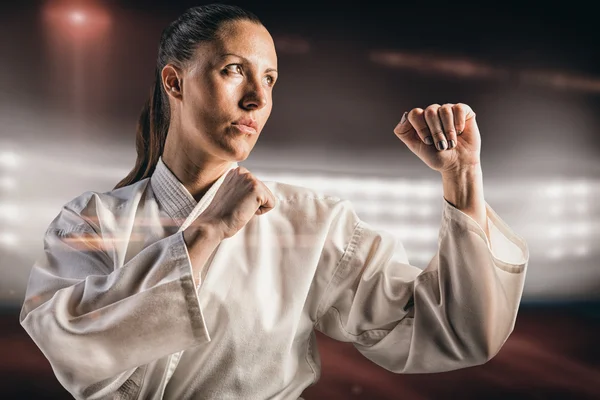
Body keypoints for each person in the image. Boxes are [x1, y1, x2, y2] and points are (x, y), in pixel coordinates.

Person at [19, 3, 529, 400]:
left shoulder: (311, 223)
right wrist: (207, 231)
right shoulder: (90, 220)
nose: (258, 101)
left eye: (269, 79)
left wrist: (463, 177)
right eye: (235, 70)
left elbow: (455, 332)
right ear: (174, 81)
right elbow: (76, 351)